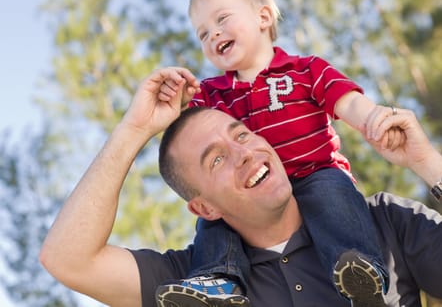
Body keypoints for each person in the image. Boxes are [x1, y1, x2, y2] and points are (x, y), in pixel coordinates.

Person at [39, 68, 442, 307]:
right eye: (216, 159)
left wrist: (427, 163)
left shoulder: (385, 222)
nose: (243, 153)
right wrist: (133, 130)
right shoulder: (193, 283)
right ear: (204, 209)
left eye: (243, 135)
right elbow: (68, 260)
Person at [157, 0, 410, 307]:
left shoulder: (304, 70)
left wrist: (374, 119)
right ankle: (218, 282)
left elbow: (345, 101)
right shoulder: (212, 94)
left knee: (335, 202)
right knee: (214, 221)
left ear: (262, 17)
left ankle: (362, 274)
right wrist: (174, 98)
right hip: (255, 192)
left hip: (317, 172)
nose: (213, 34)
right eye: (203, 33)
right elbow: (188, 139)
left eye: (222, 19)